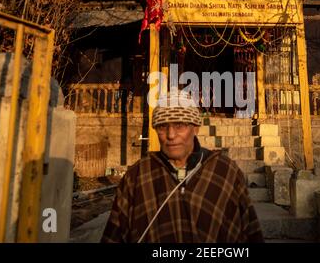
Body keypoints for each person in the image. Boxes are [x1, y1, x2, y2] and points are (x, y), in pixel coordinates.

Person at [101, 91, 264, 243]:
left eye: (179, 125)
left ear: (196, 128)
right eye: (163, 126)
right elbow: (114, 235)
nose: (171, 135)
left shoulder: (225, 171)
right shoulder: (137, 176)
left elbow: (250, 231)